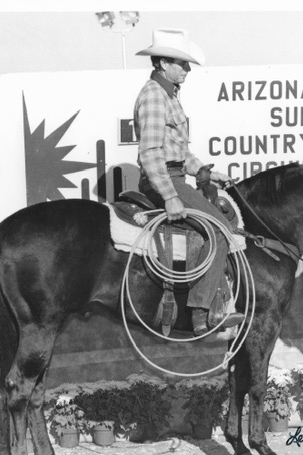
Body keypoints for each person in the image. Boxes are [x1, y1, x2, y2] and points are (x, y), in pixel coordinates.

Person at [134, 28, 244, 336]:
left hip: (175, 176)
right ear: (163, 63)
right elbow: (152, 154)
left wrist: (205, 171)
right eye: (181, 64)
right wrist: (170, 196)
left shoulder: (168, 95)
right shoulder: (154, 97)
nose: (187, 70)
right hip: (164, 180)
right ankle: (201, 311)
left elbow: (178, 152)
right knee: (219, 228)